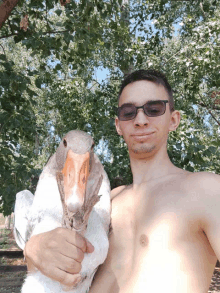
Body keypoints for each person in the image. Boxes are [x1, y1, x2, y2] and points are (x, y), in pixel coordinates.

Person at [24, 69, 220, 293]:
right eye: (129, 112)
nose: (140, 120)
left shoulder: (207, 189)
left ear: (173, 119)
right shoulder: (103, 203)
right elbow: (57, 273)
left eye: (154, 109)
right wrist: (34, 249)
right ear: (118, 125)